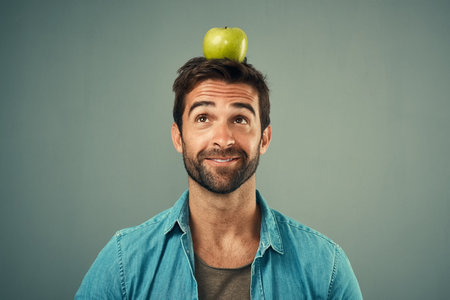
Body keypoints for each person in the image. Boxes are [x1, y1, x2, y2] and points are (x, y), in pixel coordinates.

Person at [75, 57, 363, 299]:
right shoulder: (124, 262)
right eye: (203, 118)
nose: (223, 139)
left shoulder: (327, 268)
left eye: (240, 119)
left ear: (264, 138)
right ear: (178, 137)